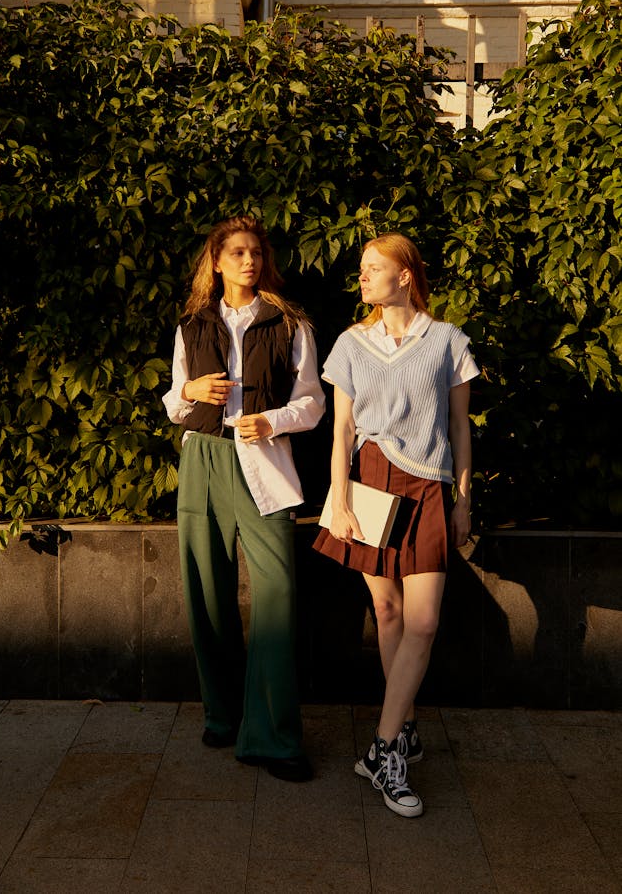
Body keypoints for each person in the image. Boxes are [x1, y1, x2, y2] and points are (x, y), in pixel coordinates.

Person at [313, 232, 478, 817]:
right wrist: (341, 501)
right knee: (387, 613)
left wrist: (461, 498)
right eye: (362, 268)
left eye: (373, 268)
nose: (362, 277)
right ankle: (401, 734)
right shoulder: (351, 344)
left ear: (404, 276)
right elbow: (340, 433)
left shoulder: (448, 342)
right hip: (369, 484)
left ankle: (384, 749)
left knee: (425, 621)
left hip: (428, 484)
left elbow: (460, 427)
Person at [163, 215, 325, 783]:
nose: (248, 261)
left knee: (277, 595)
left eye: (255, 252)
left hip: (265, 463)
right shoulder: (191, 324)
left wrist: (270, 420)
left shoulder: (289, 323)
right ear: (216, 262)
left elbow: (313, 404)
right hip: (203, 457)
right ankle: (223, 714)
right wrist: (189, 390)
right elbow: (173, 403)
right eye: (236, 253)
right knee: (207, 590)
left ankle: (274, 738)